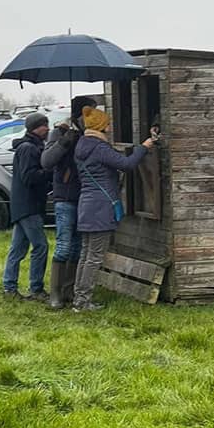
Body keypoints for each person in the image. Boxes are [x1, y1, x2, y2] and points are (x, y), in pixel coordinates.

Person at [73, 106, 155, 312]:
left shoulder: (82, 144)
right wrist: (144, 147)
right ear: (101, 126)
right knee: (94, 256)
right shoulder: (99, 148)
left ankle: (79, 298)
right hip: (100, 206)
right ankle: (83, 301)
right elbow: (126, 164)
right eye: (107, 123)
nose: (110, 127)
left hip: (87, 204)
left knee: (86, 254)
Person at [41, 96, 97, 309]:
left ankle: (69, 291)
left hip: (84, 196)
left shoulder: (89, 134)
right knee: (64, 245)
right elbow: (46, 161)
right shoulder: (61, 132)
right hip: (65, 196)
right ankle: (55, 294)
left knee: (77, 246)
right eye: (91, 110)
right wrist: (66, 140)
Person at [2, 112, 51, 301]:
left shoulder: (28, 146)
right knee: (40, 246)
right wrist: (49, 173)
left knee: (18, 248)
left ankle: (9, 286)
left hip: (21, 204)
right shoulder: (29, 149)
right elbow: (29, 177)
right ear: (34, 128)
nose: (47, 128)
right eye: (43, 125)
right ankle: (36, 288)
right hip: (29, 205)